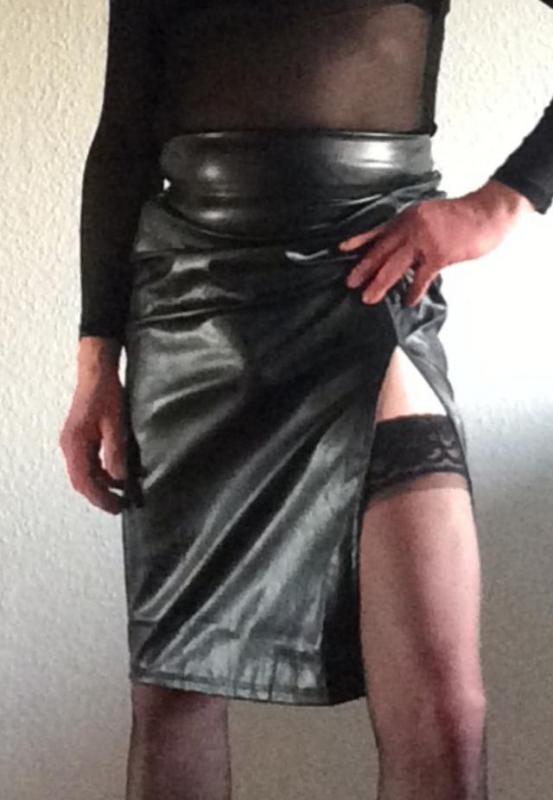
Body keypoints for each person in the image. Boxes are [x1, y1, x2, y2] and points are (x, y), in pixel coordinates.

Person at [59, 1, 553, 798]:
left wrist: (500, 203)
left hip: (366, 283)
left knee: (444, 715)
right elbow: (123, 142)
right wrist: (94, 367)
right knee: (177, 693)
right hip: (194, 313)